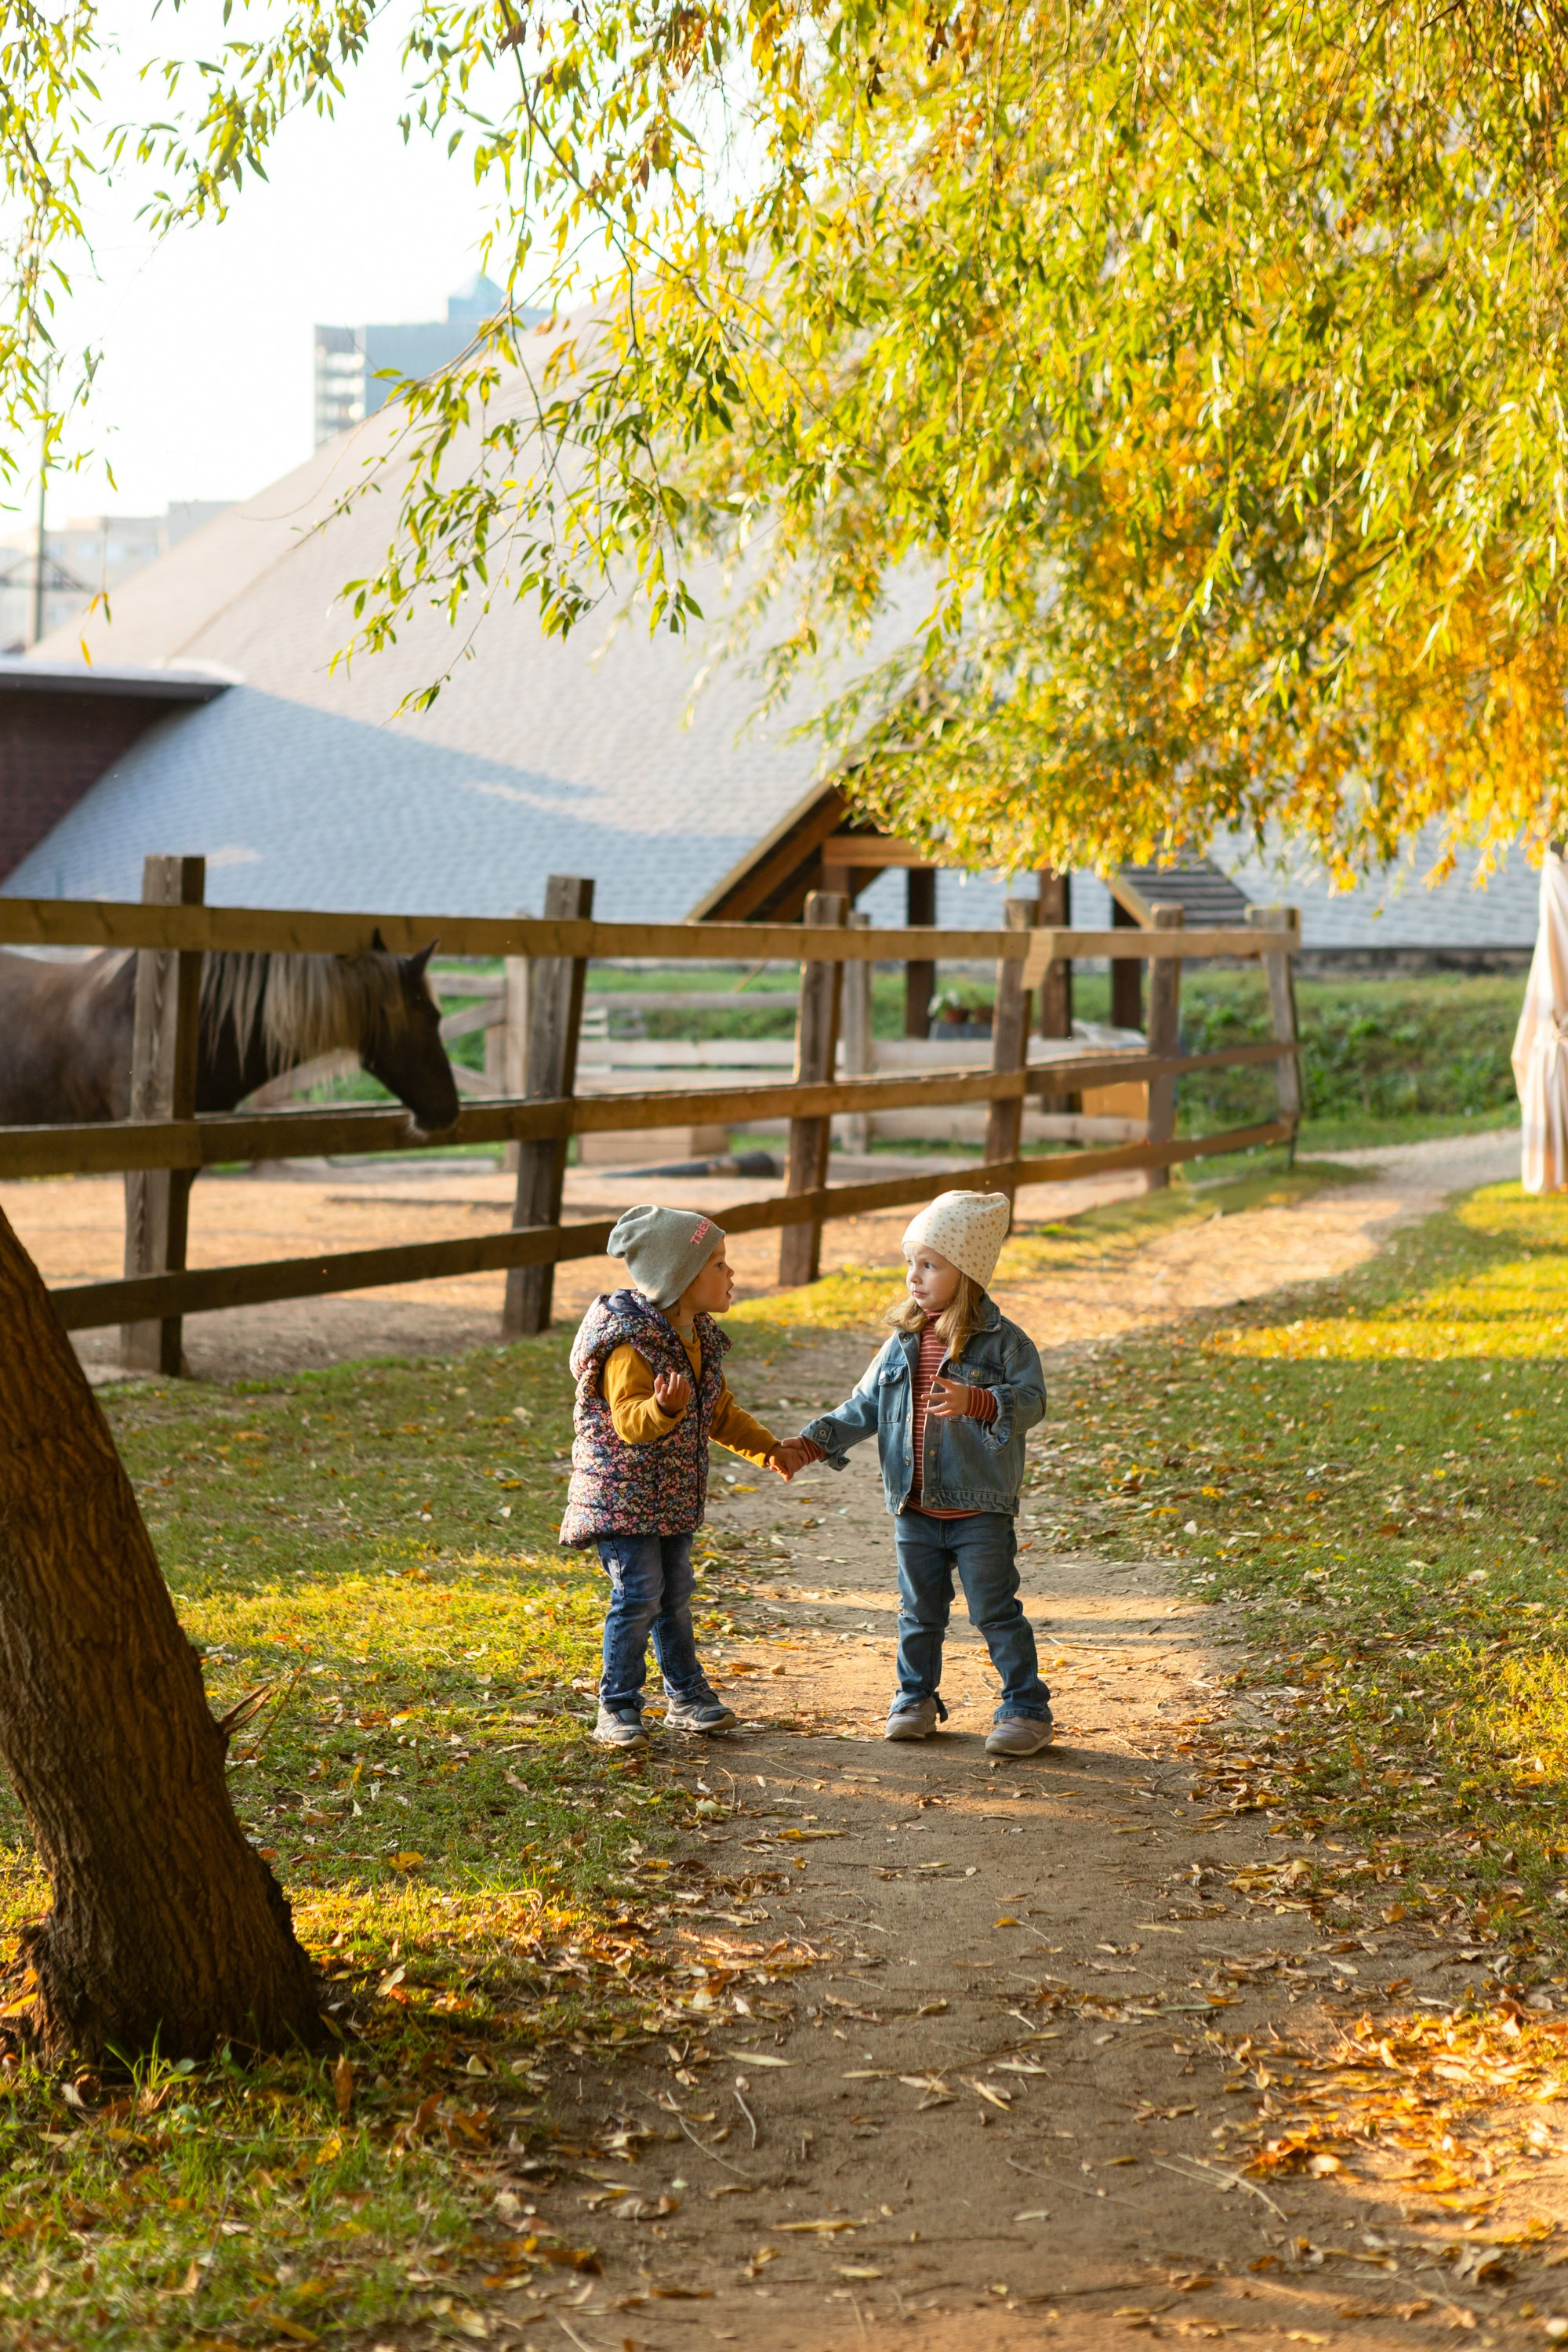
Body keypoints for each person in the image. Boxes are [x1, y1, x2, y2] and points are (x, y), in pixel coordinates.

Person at [781, 1190, 1053, 1757]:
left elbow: (1031, 1402)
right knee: (919, 1613)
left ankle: (1025, 1707)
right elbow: (864, 1407)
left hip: (980, 1508)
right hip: (915, 1508)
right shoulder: (902, 1344)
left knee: (994, 1611)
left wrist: (980, 1400)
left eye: (929, 1265)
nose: (914, 1276)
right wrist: (811, 1444)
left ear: (968, 1271)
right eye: (911, 1262)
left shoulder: (1006, 1343)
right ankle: (915, 1699)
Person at [561, 1205, 792, 1749]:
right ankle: (616, 1707)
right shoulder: (629, 1344)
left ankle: (687, 1697)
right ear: (679, 1279)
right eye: (717, 1264)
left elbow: (718, 1412)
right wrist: (663, 1410)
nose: (730, 1274)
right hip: (623, 1498)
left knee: (674, 1594)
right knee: (639, 1594)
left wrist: (769, 1450)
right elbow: (630, 1422)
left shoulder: (698, 1334)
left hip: (670, 1498)